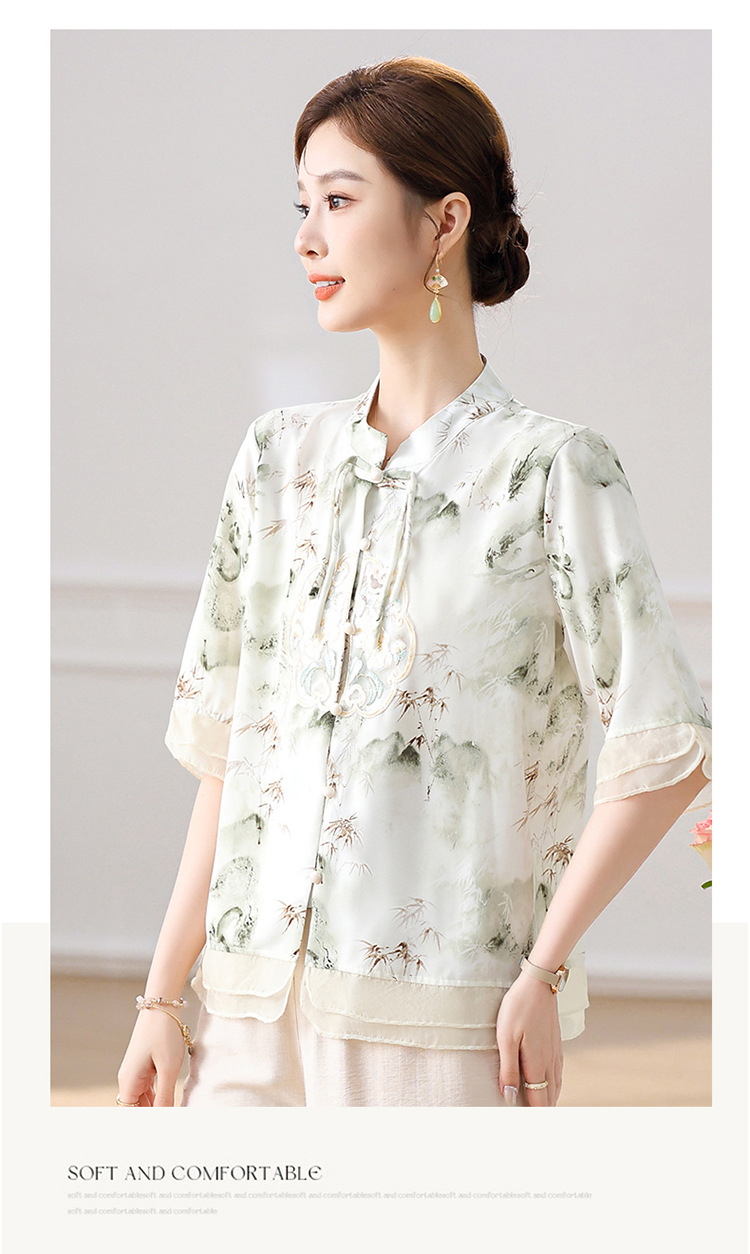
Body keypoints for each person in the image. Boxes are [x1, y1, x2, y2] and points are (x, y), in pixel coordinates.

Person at [116, 56, 711, 1109]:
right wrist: (162, 997)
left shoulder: (550, 471)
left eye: (339, 202)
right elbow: (231, 753)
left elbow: (665, 746)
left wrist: (544, 972)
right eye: (302, 206)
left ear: (444, 222)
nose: (307, 238)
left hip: (442, 1025)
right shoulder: (277, 461)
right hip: (246, 1015)